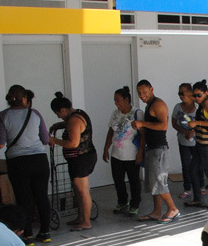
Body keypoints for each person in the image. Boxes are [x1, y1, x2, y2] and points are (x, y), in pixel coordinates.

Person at [0, 85, 52, 246]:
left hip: (18, 162)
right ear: (25, 98)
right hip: (39, 160)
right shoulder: (35, 113)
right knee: (42, 196)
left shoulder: (2, 116)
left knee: (24, 199)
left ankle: (28, 235)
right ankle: (45, 233)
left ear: (8, 99)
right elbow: (45, 139)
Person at [133, 80, 180, 223]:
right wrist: (143, 129)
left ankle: (173, 209)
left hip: (159, 149)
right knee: (153, 183)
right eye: (139, 93)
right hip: (151, 148)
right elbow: (151, 127)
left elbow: (163, 126)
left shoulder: (158, 104)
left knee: (159, 182)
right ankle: (156, 212)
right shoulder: (149, 106)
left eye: (144, 92)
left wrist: (143, 123)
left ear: (152, 89)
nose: (142, 95)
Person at [49, 92, 97, 232]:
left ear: (63, 110)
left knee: (83, 191)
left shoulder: (74, 120)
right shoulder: (78, 114)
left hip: (81, 159)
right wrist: (58, 125)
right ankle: (80, 217)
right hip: (82, 158)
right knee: (78, 191)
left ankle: (86, 222)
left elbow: (73, 143)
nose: (58, 116)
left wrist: (54, 140)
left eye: (58, 113)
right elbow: (69, 125)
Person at [103, 86, 143, 216]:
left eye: (118, 100)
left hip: (132, 154)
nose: (116, 103)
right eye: (115, 100)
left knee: (134, 180)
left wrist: (140, 152)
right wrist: (106, 148)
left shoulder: (137, 113)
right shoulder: (115, 113)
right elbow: (111, 131)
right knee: (118, 180)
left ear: (126, 99)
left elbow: (143, 134)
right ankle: (122, 201)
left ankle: (135, 204)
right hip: (117, 154)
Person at [184, 80, 208, 210]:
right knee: (193, 170)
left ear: (206, 93)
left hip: (206, 144)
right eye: (195, 95)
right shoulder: (202, 101)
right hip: (200, 143)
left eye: (199, 95)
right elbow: (188, 95)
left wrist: (197, 123)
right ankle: (197, 199)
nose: (197, 98)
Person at [171, 83, 205, 200]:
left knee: (199, 164)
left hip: (197, 141)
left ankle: (201, 186)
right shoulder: (178, 107)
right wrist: (185, 132)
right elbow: (174, 123)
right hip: (183, 141)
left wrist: (193, 132)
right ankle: (187, 188)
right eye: (179, 93)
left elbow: (204, 121)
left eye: (183, 93)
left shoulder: (198, 106)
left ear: (190, 92)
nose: (181, 96)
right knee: (186, 165)